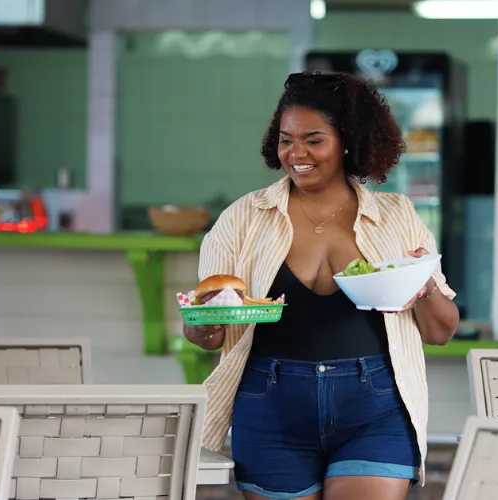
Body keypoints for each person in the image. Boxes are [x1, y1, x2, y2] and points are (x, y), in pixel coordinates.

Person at [183, 71, 459, 500]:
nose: (296, 153)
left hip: (376, 405)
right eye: (285, 139)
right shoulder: (243, 217)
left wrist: (422, 284)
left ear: (348, 140)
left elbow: (441, 331)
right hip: (270, 404)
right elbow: (207, 328)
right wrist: (200, 328)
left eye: (313, 140)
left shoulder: (396, 216)